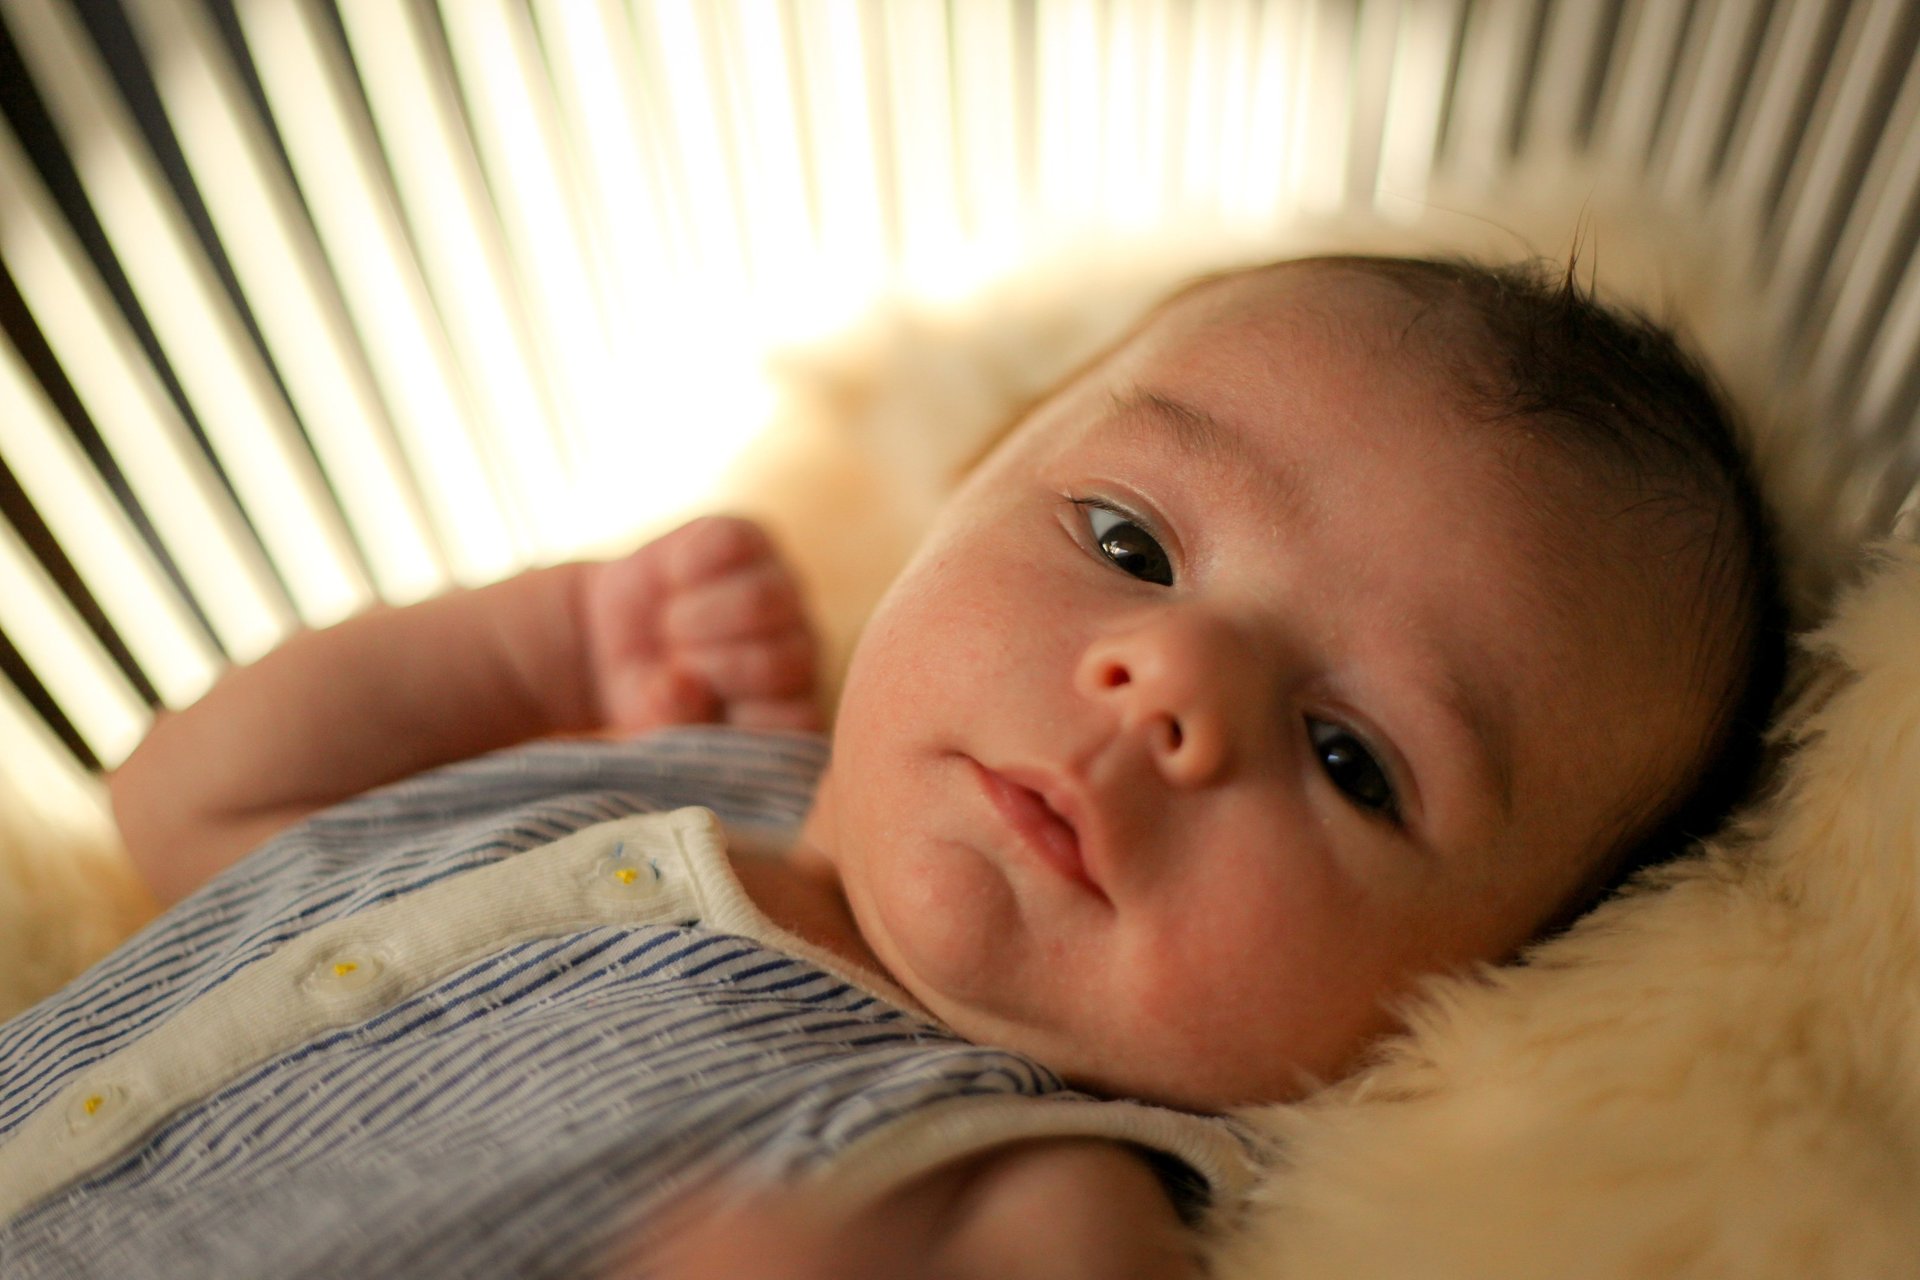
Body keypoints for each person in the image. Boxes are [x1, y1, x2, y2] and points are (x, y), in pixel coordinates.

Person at [0, 254, 1783, 1278]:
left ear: (1482, 985)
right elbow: (186, 808)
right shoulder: (646, 777)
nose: (1169, 685)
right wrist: (535, 649)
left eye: (1346, 756)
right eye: (1129, 540)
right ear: (965, 487)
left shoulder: (1046, 1178)